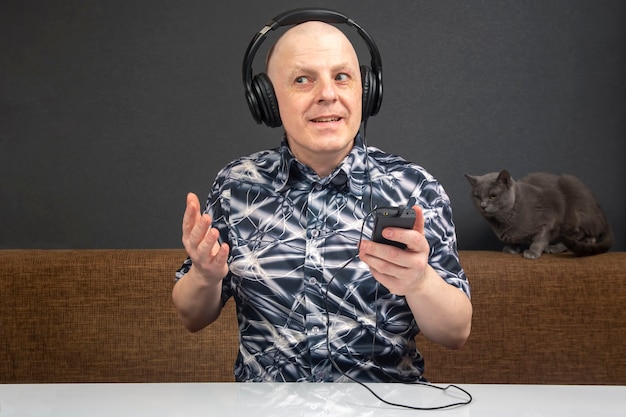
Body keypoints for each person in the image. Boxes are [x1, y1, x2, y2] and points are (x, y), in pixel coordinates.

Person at [172, 13, 472, 383]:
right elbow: (192, 317)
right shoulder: (237, 186)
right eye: (303, 80)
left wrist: (419, 281)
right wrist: (204, 276)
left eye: (342, 77)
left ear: (367, 89)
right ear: (267, 100)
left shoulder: (414, 188)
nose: (327, 94)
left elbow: (456, 333)